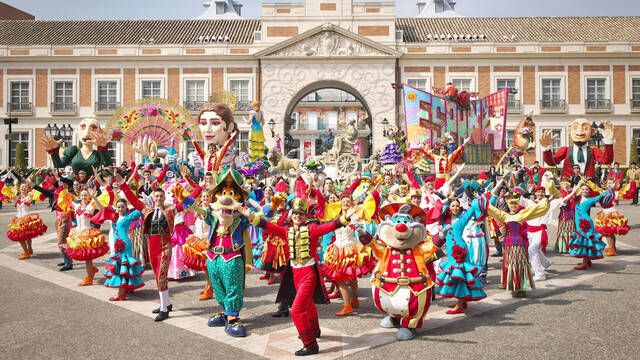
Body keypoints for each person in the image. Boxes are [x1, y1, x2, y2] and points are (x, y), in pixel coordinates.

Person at [246, 198, 354, 356]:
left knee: (296, 310)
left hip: (309, 273)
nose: (297, 216)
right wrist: (251, 216)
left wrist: (345, 217)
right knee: (308, 304)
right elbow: (268, 226)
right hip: (295, 274)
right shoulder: (286, 231)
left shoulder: (312, 229)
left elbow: (330, 226)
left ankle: (310, 344)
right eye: (295, 213)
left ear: (305, 217)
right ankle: (315, 330)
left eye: (301, 214)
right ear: (291, 215)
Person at [119, 179, 196, 322]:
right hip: (152, 249)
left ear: (164, 198)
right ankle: (165, 303)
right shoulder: (146, 210)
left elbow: (188, 202)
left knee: (161, 277)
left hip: (165, 248)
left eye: (161, 196)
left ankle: (164, 310)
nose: (159, 198)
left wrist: (200, 187)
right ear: (153, 198)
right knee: (157, 277)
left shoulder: (171, 210)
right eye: (156, 196)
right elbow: (132, 199)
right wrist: (123, 185)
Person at [100, 197, 145, 301]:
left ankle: (121, 294)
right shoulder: (114, 218)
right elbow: (102, 209)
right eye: (119, 207)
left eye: (123, 207)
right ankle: (128, 288)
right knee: (122, 267)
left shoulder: (129, 217)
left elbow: (140, 209)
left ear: (126, 207)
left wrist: (135, 200)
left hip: (124, 244)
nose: (120, 209)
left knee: (121, 267)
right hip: (116, 244)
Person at [6, 182, 48, 259]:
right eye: (22, 187)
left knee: (23, 236)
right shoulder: (17, 197)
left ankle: (27, 252)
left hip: (25, 218)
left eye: (25, 187)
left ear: (27, 189)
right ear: (19, 188)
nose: (23, 188)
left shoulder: (29, 196)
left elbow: (32, 196)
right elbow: (10, 196)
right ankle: (29, 249)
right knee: (25, 235)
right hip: (18, 218)